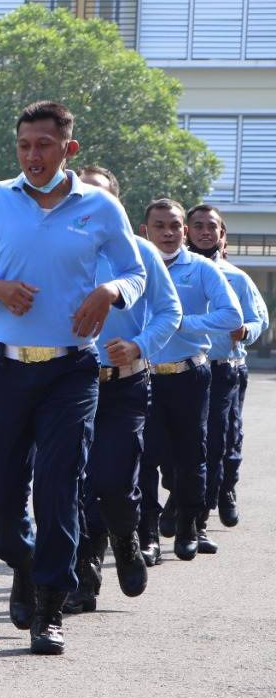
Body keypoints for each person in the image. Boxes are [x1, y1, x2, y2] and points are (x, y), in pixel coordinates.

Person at [0, 101, 145, 656]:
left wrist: (110, 292)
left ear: (69, 150)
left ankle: (52, 605)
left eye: (44, 145)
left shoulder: (101, 208)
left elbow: (134, 273)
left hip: (72, 370)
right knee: (2, 494)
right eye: (24, 146)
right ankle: (25, 561)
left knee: (60, 484)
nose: (33, 155)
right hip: (6, 367)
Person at [63, 167, 179, 614]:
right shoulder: (60, 247)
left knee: (113, 481)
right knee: (71, 481)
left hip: (124, 386)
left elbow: (169, 313)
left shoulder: (141, 252)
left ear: (115, 203)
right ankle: (84, 574)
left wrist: (138, 345)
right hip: (67, 383)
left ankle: (126, 539)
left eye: (100, 195)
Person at [138, 199, 240, 565]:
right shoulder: (134, 268)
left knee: (190, 456)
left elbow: (232, 315)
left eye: (175, 226)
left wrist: (182, 322)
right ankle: (146, 534)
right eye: (159, 225)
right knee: (145, 459)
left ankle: (188, 526)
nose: (168, 232)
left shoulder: (201, 269)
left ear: (184, 231)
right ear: (144, 231)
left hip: (190, 375)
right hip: (143, 376)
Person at [185, 205, 268, 532]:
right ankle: (182, 498)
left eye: (212, 227)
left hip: (224, 370)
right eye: (198, 226)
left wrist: (246, 330)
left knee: (223, 439)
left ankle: (220, 492)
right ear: (186, 230)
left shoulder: (237, 277)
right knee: (182, 441)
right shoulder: (172, 272)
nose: (205, 232)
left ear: (222, 235)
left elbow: (258, 318)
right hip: (183, 370)